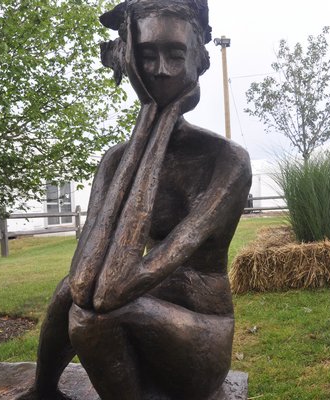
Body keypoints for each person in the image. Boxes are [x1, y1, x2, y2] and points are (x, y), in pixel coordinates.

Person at [21, 1, 251, 399]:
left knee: (94, 319)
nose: (160, 70)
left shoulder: (226, 162)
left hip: (200, 335)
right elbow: (82, 281)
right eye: (146, 55)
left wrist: (161, 122)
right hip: (138, 312)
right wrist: (149, 126)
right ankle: (43, 391)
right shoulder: (114, 161)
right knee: (69, 295)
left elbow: (112, 289)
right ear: (129, 63)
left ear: (198, 61)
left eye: (175, 55)